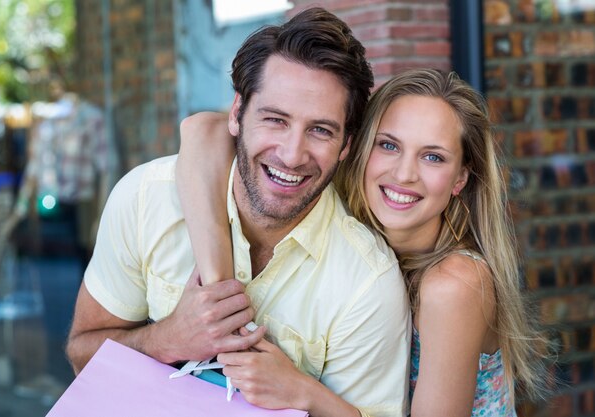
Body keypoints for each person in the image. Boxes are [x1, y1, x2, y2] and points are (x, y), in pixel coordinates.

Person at [66, 7, 411, 417]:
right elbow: (80, 355)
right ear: (236, 113)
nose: (291, 154)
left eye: (320, 130)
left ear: (347, 146)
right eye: (275, 119)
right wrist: (165, 340)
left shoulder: (367, 282)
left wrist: (300, 392)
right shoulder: (145, 200)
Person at [176, 68, 548, 416]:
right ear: (356, 148)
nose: (404, 173)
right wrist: (221, 291)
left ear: (459, 180)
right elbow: (202, 131)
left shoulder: (454, 285)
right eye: (388, 146)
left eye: (432, 157)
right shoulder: (347, 222)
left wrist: (302, 390)